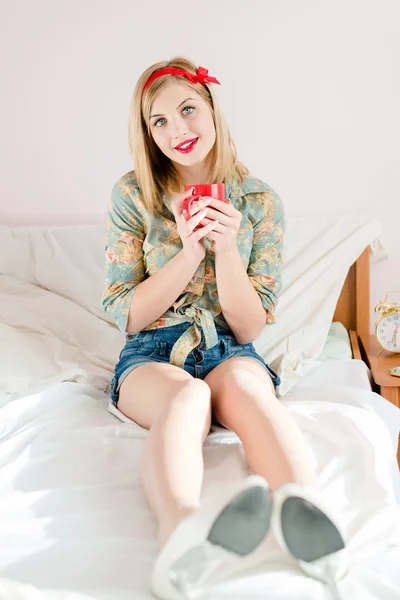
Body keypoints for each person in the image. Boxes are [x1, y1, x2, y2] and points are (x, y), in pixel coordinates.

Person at [101, 57, 349, 600]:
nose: (176, 131)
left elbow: (250, 324)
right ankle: (181, 536)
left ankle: (306, 514)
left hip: (229, 347)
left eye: (187, 110)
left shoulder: (259, 202)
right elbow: (128, 313)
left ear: (212, 108)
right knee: (186, 399)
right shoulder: (133, 196)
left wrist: (229, 247)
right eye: (158, 121)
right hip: (151, 353)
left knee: (246, 387)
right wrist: (189, 252)